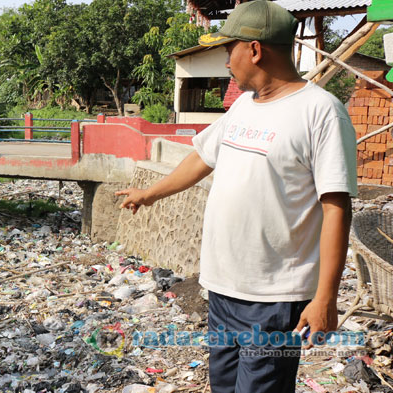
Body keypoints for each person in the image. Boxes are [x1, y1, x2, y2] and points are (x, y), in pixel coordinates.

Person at [115, 1, 357, 392]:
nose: (227, 63)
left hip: (275, 297)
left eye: (230, 51)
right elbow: (201, 158)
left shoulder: (321, 112)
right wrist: (149, 194)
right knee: (223, 386)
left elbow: (336, 209)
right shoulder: (243, 106)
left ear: (255, 50)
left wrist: (325, 297)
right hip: (223, 287)